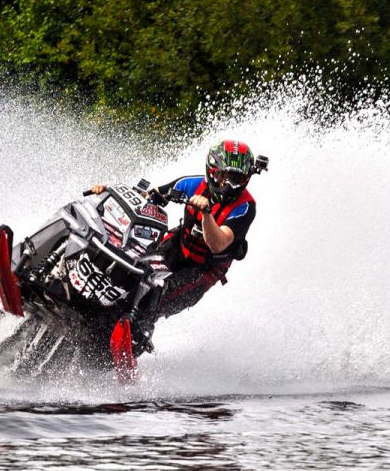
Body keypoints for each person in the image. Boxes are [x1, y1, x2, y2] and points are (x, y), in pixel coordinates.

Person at [91, 139, 263, 352]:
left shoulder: (246, 208)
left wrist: (206, 214)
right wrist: (110, 192)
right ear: (211, 171)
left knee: (152, 297)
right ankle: (94, 309)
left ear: (246, 178)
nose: (226, 185)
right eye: (221, 176)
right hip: (174, 248)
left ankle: (130, 340)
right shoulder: (190, 184)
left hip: (201, 272)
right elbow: (146, 198)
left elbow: (218, 244)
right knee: (129, 270)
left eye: (235, 178)